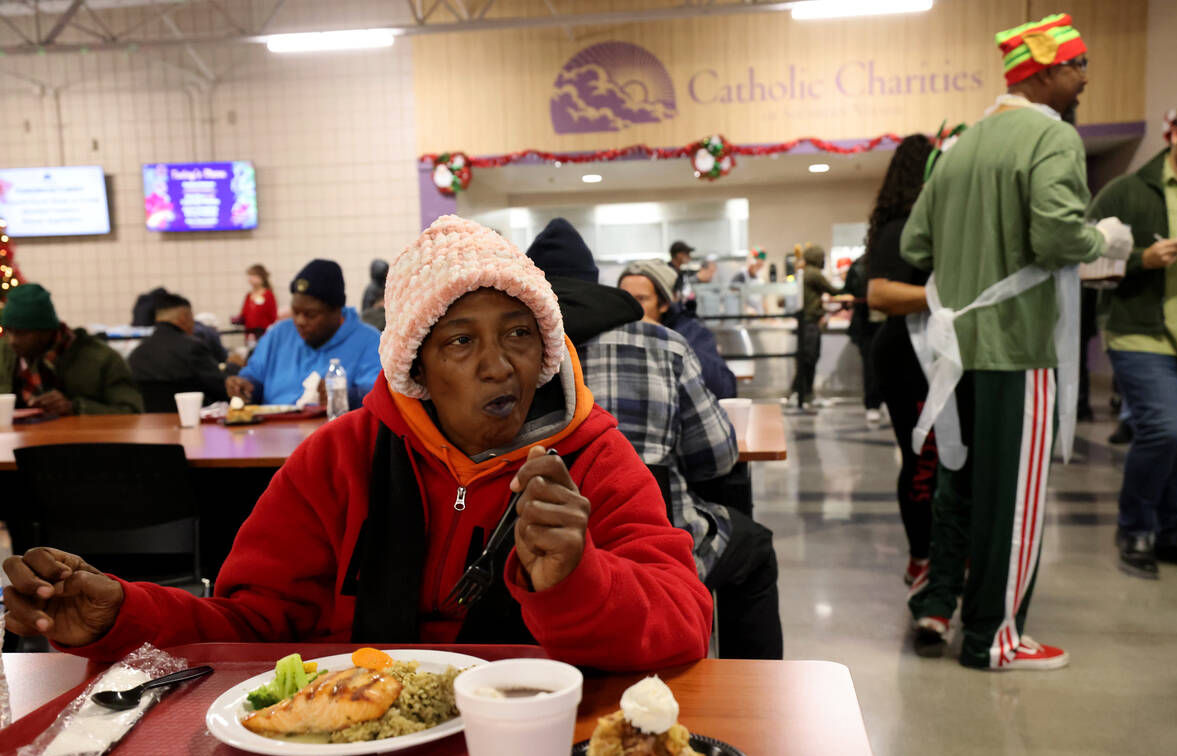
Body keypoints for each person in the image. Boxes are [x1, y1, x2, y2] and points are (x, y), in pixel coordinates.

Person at [1, 215, 712, 671]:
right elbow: (251, 625)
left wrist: (579, 578)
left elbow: (684, 621)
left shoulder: (590, 458)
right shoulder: (339, 459)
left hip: (533, 750)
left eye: (520, 334)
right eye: (461, 340)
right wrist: (125, 615)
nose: (500, 365)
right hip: (356, 752)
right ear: (414, 368)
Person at [900, 13, 1132, 669]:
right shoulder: (1049, 140)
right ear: (1047, 71)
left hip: (957, 349)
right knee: (1015, 500)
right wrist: (1106, 240)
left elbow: (918, 244)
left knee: (961, 485)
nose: (1085, 79)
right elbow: (1059, 237)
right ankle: (993, 638)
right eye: (1078, 66)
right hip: (1017, 347)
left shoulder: (959, 148)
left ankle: (940, 605)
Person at [527, 218, 782, 659]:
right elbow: (716, 457)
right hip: (660, 545)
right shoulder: (665, 345)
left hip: (538, 548)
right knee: (755, 549)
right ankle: (747, 695)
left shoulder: (514, 350)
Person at [1090, 96, 1177, 578]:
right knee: (1163, 428)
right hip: (1139, 329)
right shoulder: (1127, 191)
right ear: (1175, 132)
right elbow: (1087, 261)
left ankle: (1174, 534)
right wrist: (1143, 260)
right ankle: (1135, 528)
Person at [865, 133, 938, 589]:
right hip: (908, 356)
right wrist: (949, 298)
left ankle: (936, 553)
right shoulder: (900, 228)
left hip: (926, 353)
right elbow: (880, 293)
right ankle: (921, 556)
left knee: (935, 458)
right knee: (924, 460)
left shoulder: (921, 224)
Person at [225, 259, 381, 408]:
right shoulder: (278, 335)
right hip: (272, 433)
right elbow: (255, 375)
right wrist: (245, 385)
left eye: (310, 314)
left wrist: (346, 396)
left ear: (337, 310)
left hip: (332, 433)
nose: (300, 321)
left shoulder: (369, 342)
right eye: (296, 312)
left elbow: (378, 397)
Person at [0, 284, 143, 416]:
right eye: (8, 331)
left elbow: (132, 412)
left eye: (22, 333)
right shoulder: (4, 355)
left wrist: (75, 408)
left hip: (80, 441)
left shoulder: (101, 360)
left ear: (46, 331)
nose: (12, 341)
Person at [618, 259, 737, 399]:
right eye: (624, 299)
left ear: (664, 304)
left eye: (641, 299)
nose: (630, 307)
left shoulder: (691, 332)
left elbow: (725, 389)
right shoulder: (611, 336)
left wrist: (663, 335)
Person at [128, 292, 229, 409]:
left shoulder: (137, 353)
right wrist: (231, 368)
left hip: (151, 422)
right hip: (193, 419)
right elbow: (220, 388)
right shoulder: (192, 347)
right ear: (184, 318)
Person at [789, 244, 844, 408]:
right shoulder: (813, 273)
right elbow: (833, 290)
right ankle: (802, 394)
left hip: (806, 322)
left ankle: (803, 394)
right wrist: (852, 288)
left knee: (807, 358)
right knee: (809, 359)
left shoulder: (805, 272)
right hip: (810, 323)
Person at [841, 255, 885, 424]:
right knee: (869, 364)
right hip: (866, 324)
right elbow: (848, 292)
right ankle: (873, 404)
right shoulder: (858, 266)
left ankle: (882, 401)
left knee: (886, 364)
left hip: (887, 320)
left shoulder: (887, 262)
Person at [235, 264, 277, 344]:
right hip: (250, 335)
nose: (251, 278)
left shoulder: (268, 295)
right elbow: (244, 314)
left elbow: (273, 316)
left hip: (264, 334)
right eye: (250, 275)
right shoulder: (249, 295)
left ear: (262, 277)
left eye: (254, 275)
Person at [729, 248, 767, 314]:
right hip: (746, 317)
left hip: (759, 317)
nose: (757, 268)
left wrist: (767, 315)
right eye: (757, 265)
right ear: (751, 262)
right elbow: (733, 296)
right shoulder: (741, 275)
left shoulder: (759, 277)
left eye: (759, 266)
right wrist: (746, 308)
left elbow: (763, 299)